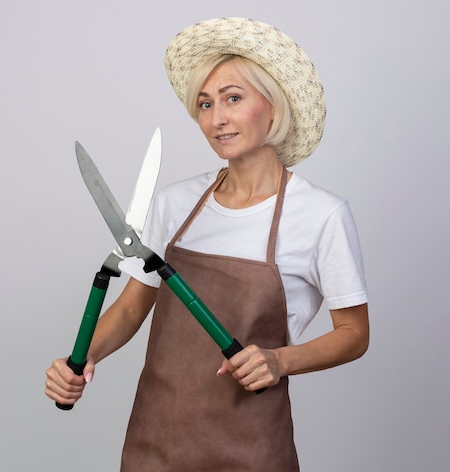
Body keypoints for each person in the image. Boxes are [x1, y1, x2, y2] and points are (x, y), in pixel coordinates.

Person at [46, 17, 369, 471]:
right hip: (156, 439)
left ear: (273, 107)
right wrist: (83, 359)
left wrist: (279, 360)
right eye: (204, 104)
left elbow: (354, 335)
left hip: (252, 447)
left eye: (233, 99)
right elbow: (133, 307)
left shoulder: (321, 215)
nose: (216, 119)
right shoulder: (175, 203)